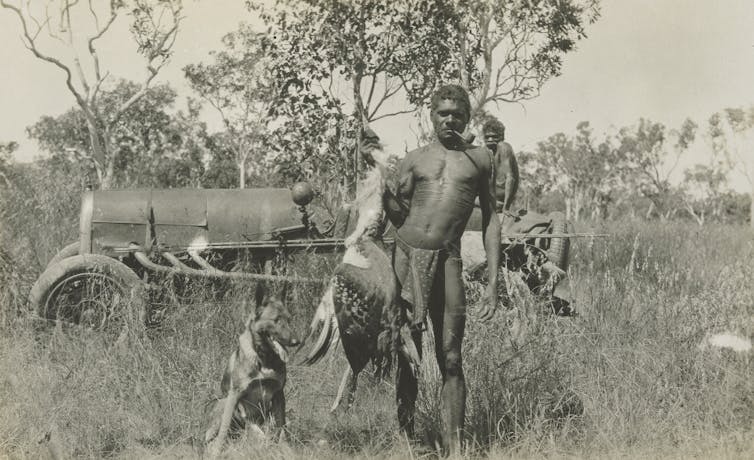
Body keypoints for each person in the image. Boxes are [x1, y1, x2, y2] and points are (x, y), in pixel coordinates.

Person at [383, 84, 500, 454]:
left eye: (457, 114)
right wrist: (382, 193)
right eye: (442, 113)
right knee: (406, 352)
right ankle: (408, 441)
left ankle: (455, 448)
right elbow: (398, 215)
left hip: (448, 260)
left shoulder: (480, 160)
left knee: (450, 355)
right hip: (406, 258)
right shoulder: (414, 159)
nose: (450, 120)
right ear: (430, 115)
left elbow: (492, 219)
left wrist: (495, 281)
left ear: (468, 117)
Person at [482, 118, 519, 213]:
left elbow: (510, 178)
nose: (490, 140)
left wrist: (506, 207)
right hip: (489, 198)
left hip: (500, 202)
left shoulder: (503, 147)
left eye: (494, 137)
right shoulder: (485, 151)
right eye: (487, 137)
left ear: (501, 137)